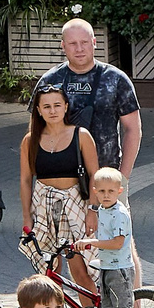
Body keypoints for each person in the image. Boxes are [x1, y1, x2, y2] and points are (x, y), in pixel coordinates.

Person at [34, 18, 143, 196]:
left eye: (84, 42)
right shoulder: (50, 81)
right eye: (72, 43)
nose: (79, 49)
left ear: (94, 42)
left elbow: (133, 129)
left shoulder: (116, 79)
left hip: (106, 181)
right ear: (63, 46)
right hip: (60, 182)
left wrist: (122, 178)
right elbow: (36, 130)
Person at [19, 80, 98, 296]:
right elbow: (26, 180)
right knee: (49, 271)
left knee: (81, 270)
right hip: (43, 205)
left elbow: (95, 175)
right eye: (46, 106)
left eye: (57, 105)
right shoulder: (30, 140)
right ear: (38, 111)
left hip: (75, 205)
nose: (52, 111)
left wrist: (93, 210)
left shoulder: (80, 135)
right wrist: (27, 217)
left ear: (65, 107)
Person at [83, 167, 141, 308]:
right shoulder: (103, 209)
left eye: (111, 191)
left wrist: (92, 243)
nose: (106, 195)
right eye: (101, 191)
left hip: (120, 269)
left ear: (119, 191)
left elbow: (117, 243)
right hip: (107, 267)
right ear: (95, 192)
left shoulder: (119, 213)